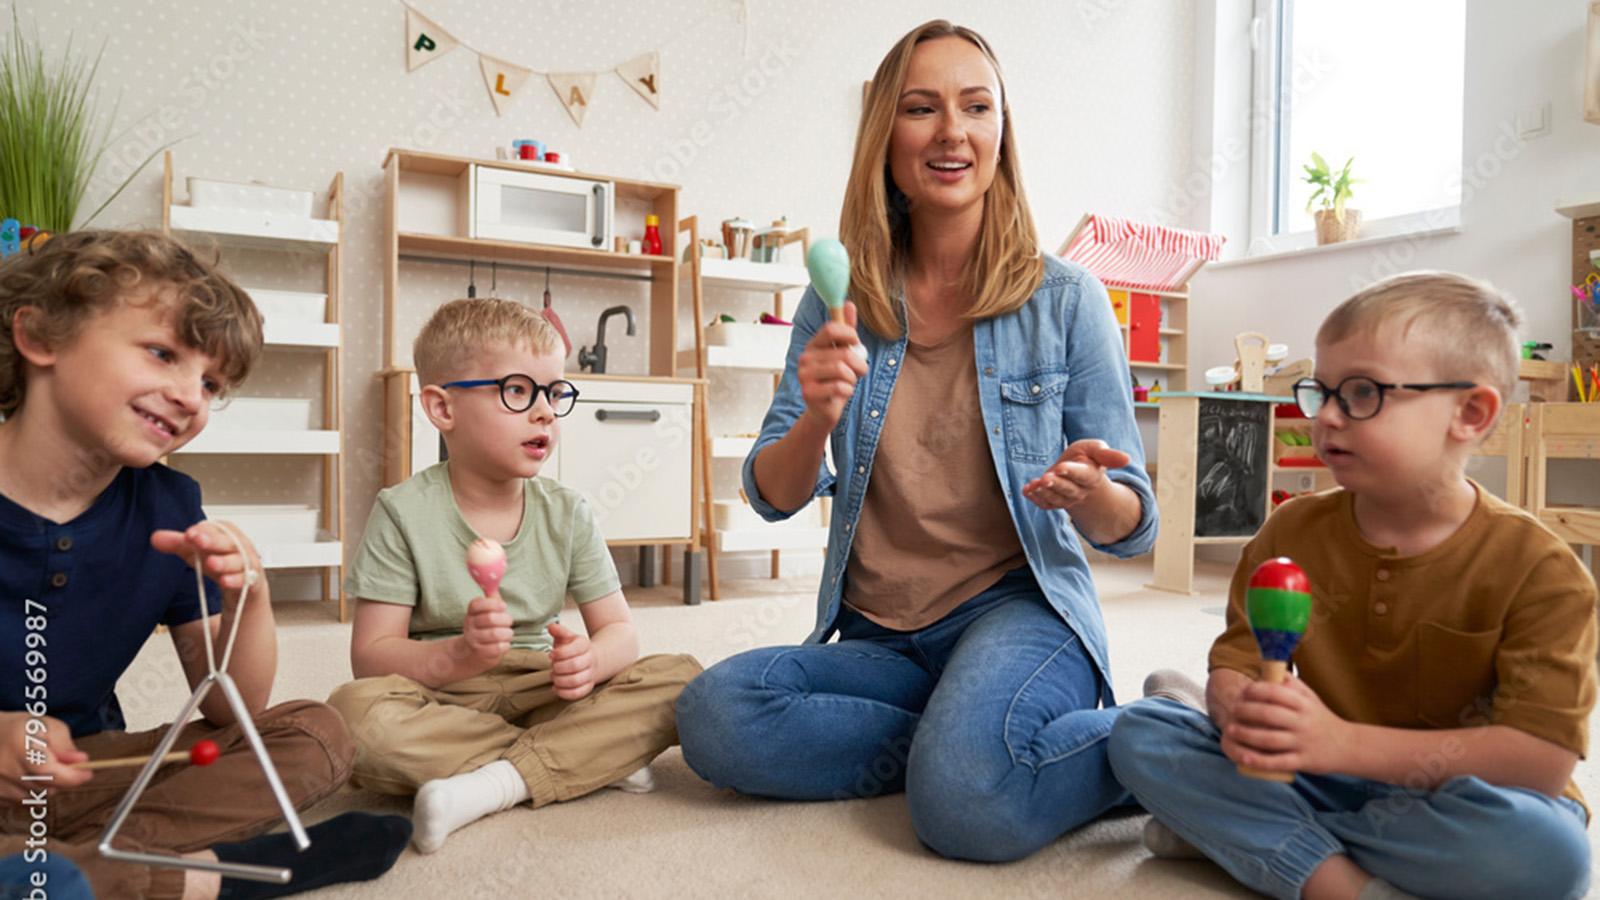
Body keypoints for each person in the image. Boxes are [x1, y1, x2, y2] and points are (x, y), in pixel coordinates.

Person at [673, 20, 1157, 862]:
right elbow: (771, 494)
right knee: (716, 716)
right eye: (921, 108)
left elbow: (1134, 525)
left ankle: (1158, 740)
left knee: (966, 811)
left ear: (1002, 134)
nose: (952, 132)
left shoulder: (1069, 300)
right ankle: (959, 736)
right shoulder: (841, 298)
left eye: (977, 107)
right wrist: (818, 417)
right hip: (878, 635)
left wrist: (1096, 496)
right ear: (885, 138)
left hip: (1017, 612)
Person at [1108, 272, 1596, 900]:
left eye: (1362, 393)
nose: (1328, 416)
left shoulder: (1542, 570)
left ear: (1470, 414)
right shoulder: (1290, 531)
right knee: (1143, 735)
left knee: (1551, 856)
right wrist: (1235, 708)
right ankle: (1336, 880)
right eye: (1323, 391)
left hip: (1458, 799)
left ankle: (1245, 838)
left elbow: (1541, 761)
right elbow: (1239, 659)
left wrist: (1342, 743)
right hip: (1315, 774)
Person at [0, 231, 410, 900]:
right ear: (41, 336)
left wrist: (250, 596)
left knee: (317, 736)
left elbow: (231, 708)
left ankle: (70, 871)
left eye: (211, 383)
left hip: (84, 772)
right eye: (163, 354)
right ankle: (198, 879)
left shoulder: (171, 506)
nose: (191, 396)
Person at [328, 298, 701, 854]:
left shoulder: (567, 511)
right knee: (351, 719)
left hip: (543, 684)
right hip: (440, 697)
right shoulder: (402, 511)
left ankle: (492, 785)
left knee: (681, 680)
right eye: (519, 392)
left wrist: (591, 661)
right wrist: (456, 656)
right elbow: (371, 656)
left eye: (554, 394)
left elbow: (621, 633)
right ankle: (585, 757)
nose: (546, 413)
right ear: (442, 408)